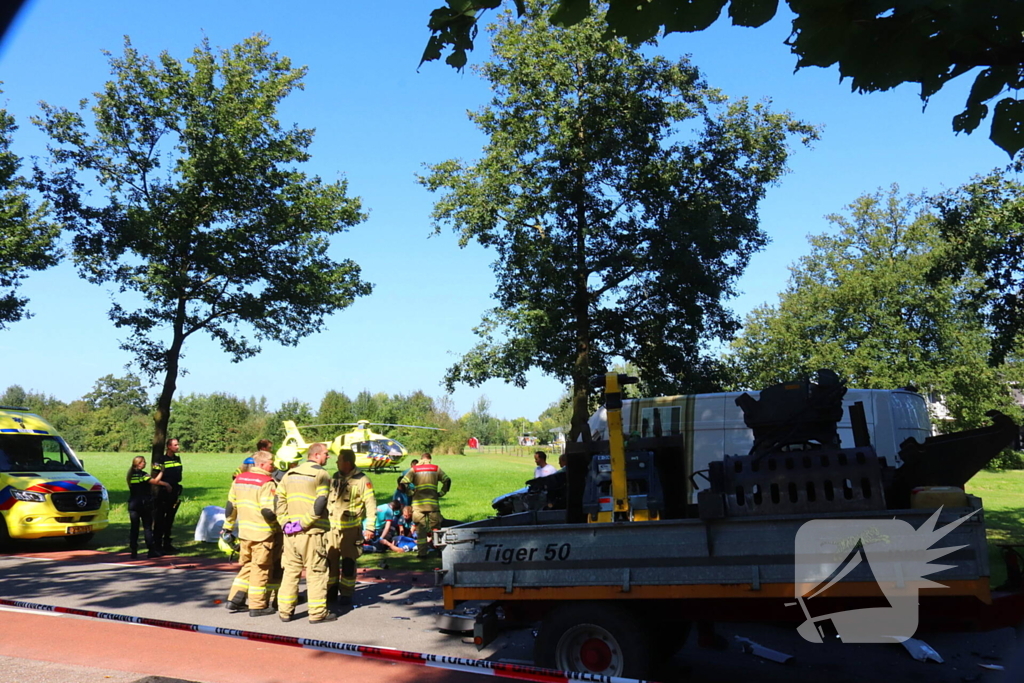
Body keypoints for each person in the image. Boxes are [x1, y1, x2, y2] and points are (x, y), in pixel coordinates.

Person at [276, 442, 334, 624]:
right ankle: (317, 614)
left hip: (290, 534)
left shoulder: (289, 474)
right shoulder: (321, 474)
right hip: (311, 533)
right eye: (326, 453)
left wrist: (285, 523)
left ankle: (285, 612)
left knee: (290, 572)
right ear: (316, 455)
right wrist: (304, 524)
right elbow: (320, 502)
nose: (328, 456)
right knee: (316, 572)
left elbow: (279, 500)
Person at [221, 450, 279, 617]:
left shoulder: (239, 479)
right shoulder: (267, 482)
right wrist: (280, 523)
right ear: (261, 464)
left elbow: (231, 507)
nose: (273, 465)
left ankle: (234, 599)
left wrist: (228, 527)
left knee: (247, 566)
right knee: (261, 569)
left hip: (244, 533)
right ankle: (257, 606)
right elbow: (269, 511)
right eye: (270, 462)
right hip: (262, 534)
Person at [328, 449, 375, 609]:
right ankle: (331, 590)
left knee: (348, 563)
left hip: (350, 530)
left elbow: (370, 504)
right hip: (332, 529)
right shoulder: (335, 477)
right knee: (330, 562)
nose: (336, 463)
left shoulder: (362, 480)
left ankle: (346, 593)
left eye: (339, 460)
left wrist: (370, 527)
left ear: (347, 463)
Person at [400, 453, 451, 558]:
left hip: (418, 505)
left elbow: (403, 482)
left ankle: (422, 553)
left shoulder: (414, 469)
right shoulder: (436, 468)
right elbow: (447, 480)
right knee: (436, 529)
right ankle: (439, 551)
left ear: (421, 459)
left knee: (420, 529)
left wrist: (410, 493)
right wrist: (442, 493)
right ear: (430, 459)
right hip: (433, 505)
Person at [126, 456, 169, 559]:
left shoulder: (131, 475)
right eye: (143, 462)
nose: (144, 463)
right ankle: (151, 550)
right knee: (147, 528)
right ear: (138, 464)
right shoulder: (142, 474)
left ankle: (134, 550)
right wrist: (162, 472)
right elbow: (155, 481)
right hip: (144, 504)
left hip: (133, 504)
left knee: (134, 528)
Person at [152, 437, 184, 554]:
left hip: (174, 491)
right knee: (160, 519)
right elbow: (154, 479)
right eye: (175, 445)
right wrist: (165, 484)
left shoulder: (177, 459)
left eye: (177, 445)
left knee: (170, 519)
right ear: (168, 447)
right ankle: (157, 545)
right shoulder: (160, 460)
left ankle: (167, 544)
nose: (177, 447)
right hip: (163, 492)